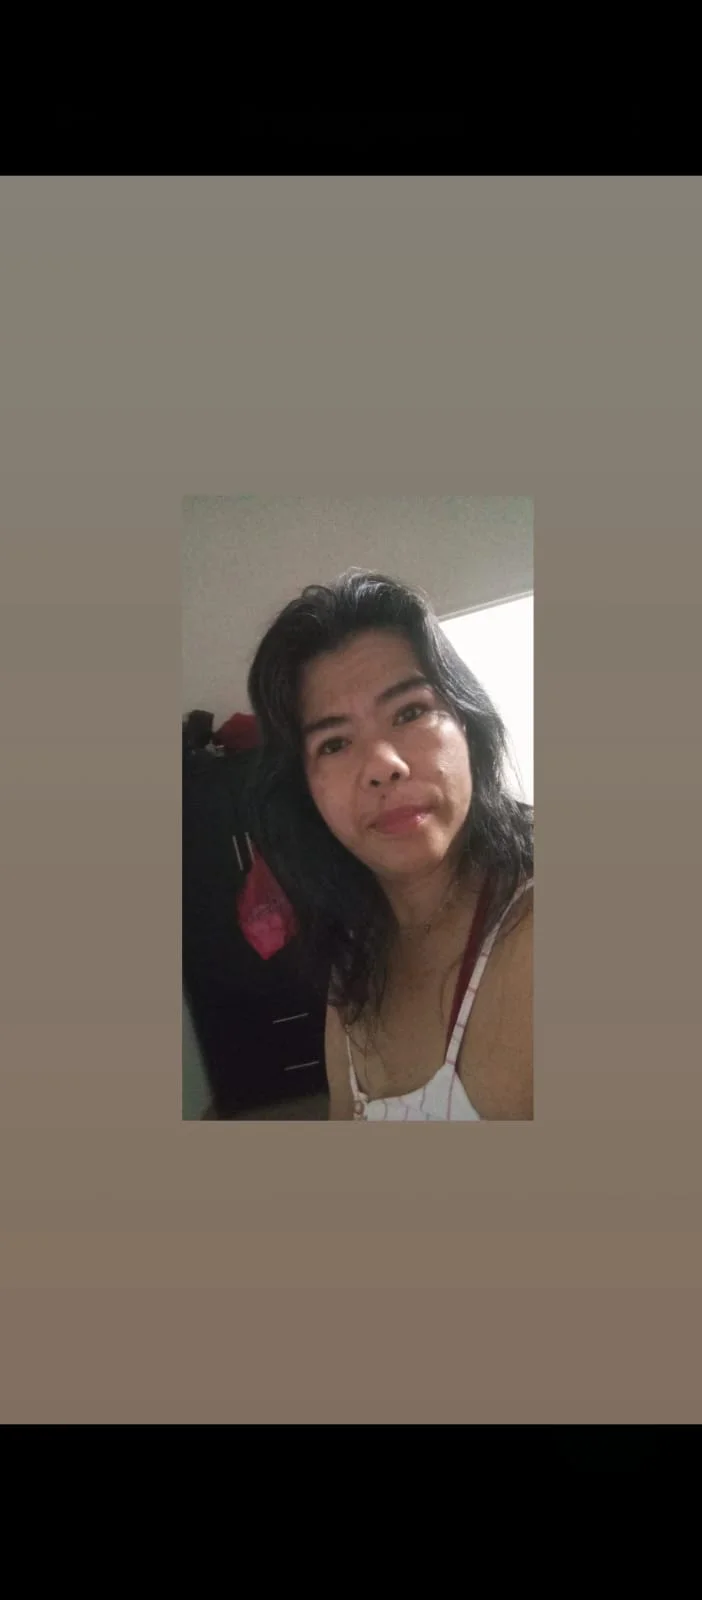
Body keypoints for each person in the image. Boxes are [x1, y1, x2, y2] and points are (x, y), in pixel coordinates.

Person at [246, 569, 533, 1121]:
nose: (383, 765)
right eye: (334, 743)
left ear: (468, 726)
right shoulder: (353, 956)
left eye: (410, 712)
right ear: (306, 792)